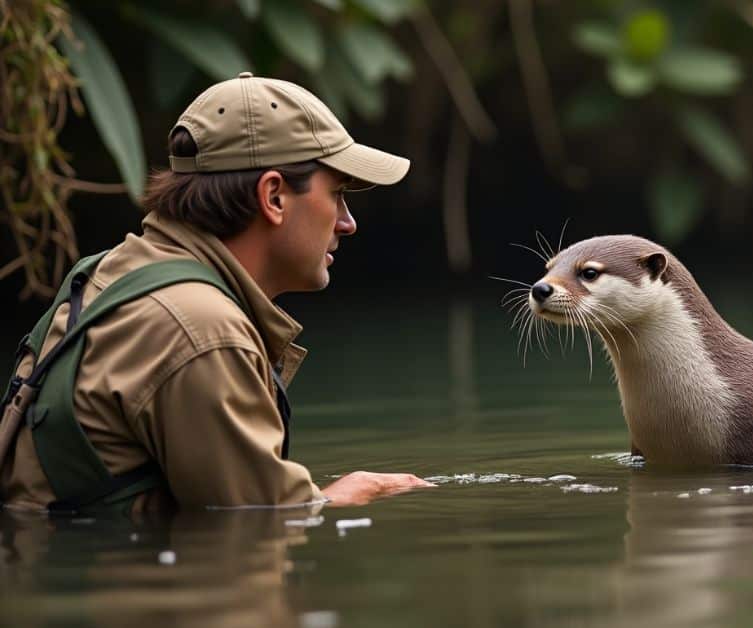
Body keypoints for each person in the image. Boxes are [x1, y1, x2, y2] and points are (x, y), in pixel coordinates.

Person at [0, 72, 432, 515]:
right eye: (337, 193)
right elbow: (261, 521)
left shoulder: (110, 273)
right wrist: (342, 497)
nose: (347, 222)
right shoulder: (202, 330)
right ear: (274, 197)